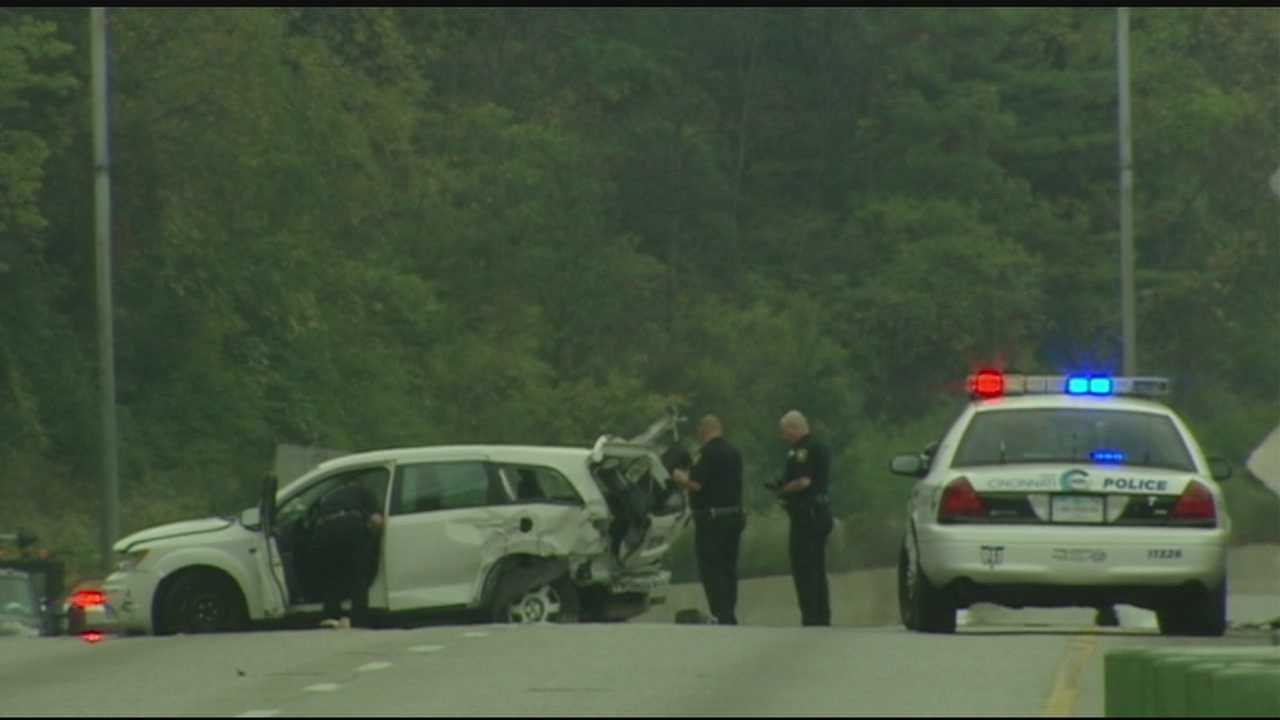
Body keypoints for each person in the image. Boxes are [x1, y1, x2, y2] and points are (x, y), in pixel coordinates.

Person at [671, 415, 745, 625]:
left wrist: (678, 477)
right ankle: (729, 612)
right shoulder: (735, 453)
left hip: (712, 520)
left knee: (711, 568)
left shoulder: (705, 454)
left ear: (703, 431)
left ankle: (720, 614)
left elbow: (696, 484)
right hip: (734, 516)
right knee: (729, 567)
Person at [769, 409, 834, 627]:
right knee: (817, 566)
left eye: (785, 431)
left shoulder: (802, 451)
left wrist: (782, 490)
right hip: (821, 512)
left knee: (804, 567)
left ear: (794, 428)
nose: (783, 436)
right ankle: (822, 616)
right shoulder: (821, 446)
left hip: (807, 516)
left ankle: (811, 617)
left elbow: (803, 481)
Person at [309, 475, 384, 629]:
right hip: (351, 528)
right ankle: (358, 621)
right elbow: (377, 520)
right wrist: (373, 536)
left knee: (331, 578)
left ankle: (330, 618)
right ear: (357, 483)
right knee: (358, 578)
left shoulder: (328, 495)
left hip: (325, 532)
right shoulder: (363, 492)